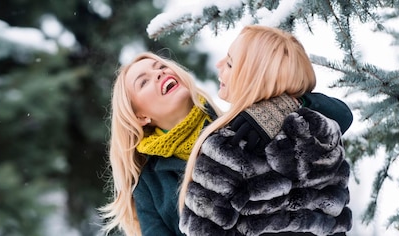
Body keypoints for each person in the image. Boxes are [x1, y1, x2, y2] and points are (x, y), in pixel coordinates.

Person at [99, 51, 352, 236]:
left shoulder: (244, 123)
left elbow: (341, 117)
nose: (159, 73)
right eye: (143, 81)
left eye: (160, 67)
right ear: (141, 117)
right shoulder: (150, 185)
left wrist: (284, 106)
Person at [178, 25, 352, 236]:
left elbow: (203, 230)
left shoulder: (231, 147)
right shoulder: (323, 138)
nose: (219, 64)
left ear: (254, 79)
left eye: (231, 64)